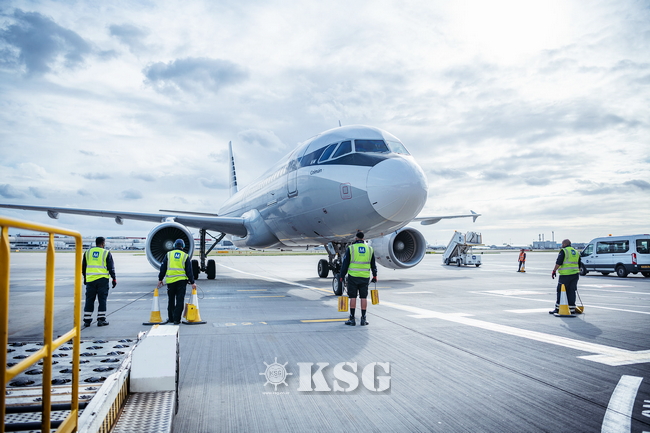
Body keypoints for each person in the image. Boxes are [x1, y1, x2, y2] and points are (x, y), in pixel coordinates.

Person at [339, 232, 377, 326]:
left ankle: (352, 319)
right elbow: (373, 264)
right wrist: (375, 275)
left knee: (353, 297)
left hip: (353, 276)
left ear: (356, 238)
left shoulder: (351, 248)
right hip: (365, 277)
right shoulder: (369, 249)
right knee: (363, 297)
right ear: (363, 238)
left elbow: (345, 264)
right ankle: (363, 319)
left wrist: (342, 275)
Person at [158, 239, 197, 325]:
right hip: (181, 282)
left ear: (174, 245)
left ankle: (171, 318)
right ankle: (177, 319)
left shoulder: (168, 254)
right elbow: (189, 271)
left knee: (171, 300)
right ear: (183, 246)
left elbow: (163, 268)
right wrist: (192, 282)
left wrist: (160, 279)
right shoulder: (185, 256)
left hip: (171, 281)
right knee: (180, 300)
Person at [82, 236, 116, 327]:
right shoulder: (106, 252)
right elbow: (111, 267)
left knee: (89, 300)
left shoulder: (87, 252)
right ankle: (101, 319)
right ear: (103, 243)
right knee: (102, 300)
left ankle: (87, 320)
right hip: (102, 280)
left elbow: (84, 267)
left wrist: (85, 278)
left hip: (90, 280)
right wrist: (114, 279)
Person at [550, 239, 582, 314]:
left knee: (560, 291)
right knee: (571, 291)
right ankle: (572, 309)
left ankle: (558, 308)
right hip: (575, 275)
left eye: (562, 244)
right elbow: (579, 263)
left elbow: (559, 262)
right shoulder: (576, 252)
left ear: (564, 244)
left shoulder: (564, 251)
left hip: (565, 275)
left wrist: (554, 271)